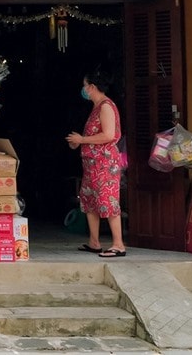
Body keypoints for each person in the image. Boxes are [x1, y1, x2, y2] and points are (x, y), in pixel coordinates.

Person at [65, 69, 126, 257]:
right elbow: (93, 136)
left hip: (104, 165)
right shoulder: (96, 107)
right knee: (90, 201)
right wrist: (79, 142)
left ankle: (118, 245)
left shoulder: (106, 106)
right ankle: (94, 242)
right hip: (92, 165)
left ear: (92, 87)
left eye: (85, 86)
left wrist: (82, 140)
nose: (83, 90)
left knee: (108, 201)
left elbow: (108, 135)